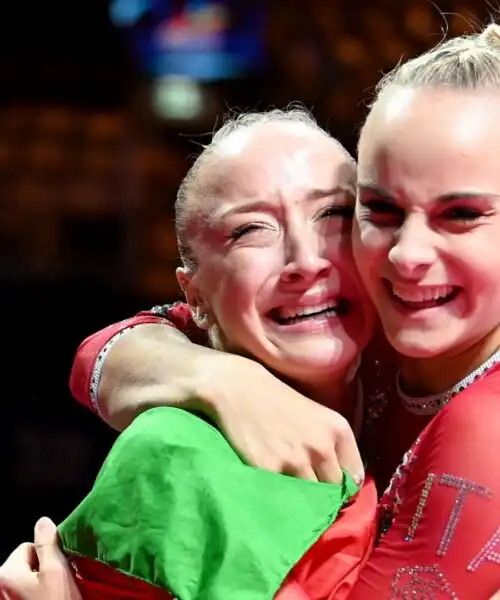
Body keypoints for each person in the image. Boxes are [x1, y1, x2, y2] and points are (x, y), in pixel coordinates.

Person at [6, 21, 500, 599]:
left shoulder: (478, 418)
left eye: (462, 214)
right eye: (379, 210)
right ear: (196, 291)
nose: (407, 252)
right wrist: (215, 378)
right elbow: (102, 353)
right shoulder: (378, 329)